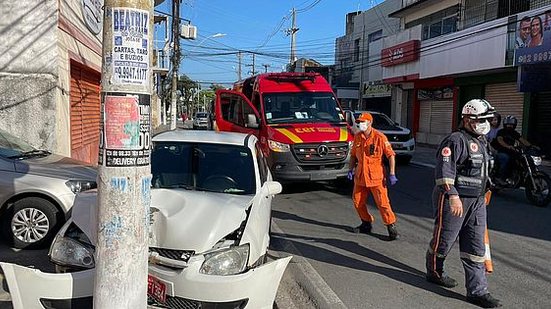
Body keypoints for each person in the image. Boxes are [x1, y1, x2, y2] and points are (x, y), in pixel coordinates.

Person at [426, 99, 502, 308]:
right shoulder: (456, 140)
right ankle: (434, 270)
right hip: (454, 199)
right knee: (445, 240)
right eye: (483, 119)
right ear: (468, 119)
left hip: (476, 201)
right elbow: (444, 170)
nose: (487, 123)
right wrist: (452, 195)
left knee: (475, 246)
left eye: (489, 119)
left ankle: (477, 291)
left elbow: (483, 170)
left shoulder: (483, 140)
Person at [348, 112, 400, 240]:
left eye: (363, 122)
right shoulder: (358, 137)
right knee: (357, 201)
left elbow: (391, 155)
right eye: (359, 122)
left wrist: (392, 173)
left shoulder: (379, 137)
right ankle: (366, 223)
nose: (360, 124)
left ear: (369, 123)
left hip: (376, 177)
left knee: (383, 203)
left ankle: (390, 226)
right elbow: (353, 155)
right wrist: (350, 170)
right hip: (360, 176)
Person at [491, 115, 535, 182]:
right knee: (505, 158)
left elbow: (522, 140)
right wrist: (508, 146)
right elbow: (500, 140)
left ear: (514, 125)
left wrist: (531, 146)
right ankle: (500, 178)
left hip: (512, 152)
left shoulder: (514, 133)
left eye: (511, 124)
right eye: (508, 124)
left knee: (523, 158)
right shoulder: (501, 132)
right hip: (501, 151)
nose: (509, 126)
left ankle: (521, 175)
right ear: (505, 124)